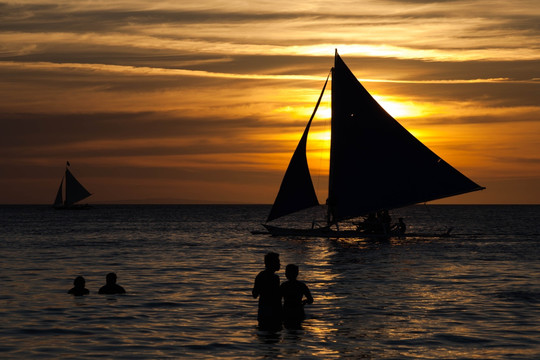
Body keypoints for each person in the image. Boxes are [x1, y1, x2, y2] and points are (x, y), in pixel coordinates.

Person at [252, 252, 282, 331]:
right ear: (272, 263)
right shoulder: (275, 278)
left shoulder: (260, 276)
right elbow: (277, 297)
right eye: (278, 262)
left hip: (263, 311)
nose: (280, 264)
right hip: (274, 311)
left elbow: (254, 294)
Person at [280, 264, 313, 329]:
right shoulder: (302, 285)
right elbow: (310, 300)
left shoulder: (284, 285)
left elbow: (277, 299)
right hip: (298, 311)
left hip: (287, 311)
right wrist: (304, 302)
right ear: (297, 274)